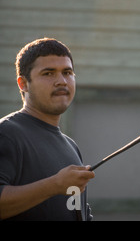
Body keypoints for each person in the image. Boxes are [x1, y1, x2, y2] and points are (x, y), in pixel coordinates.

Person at [0, 38, 95, 221]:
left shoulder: (70, 146)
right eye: (48, 73)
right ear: (23, 84)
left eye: (67, 72)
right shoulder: (7, 134)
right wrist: (54, 185)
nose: (61, 81)